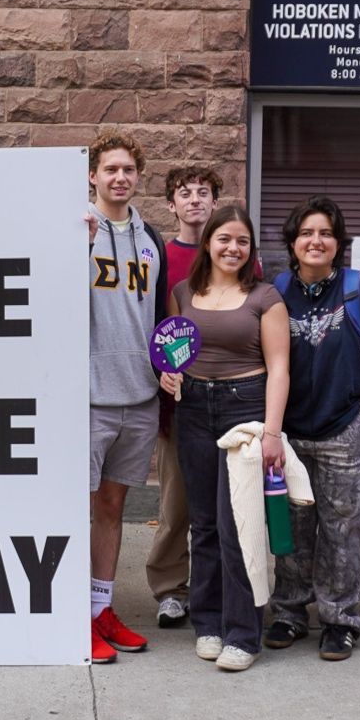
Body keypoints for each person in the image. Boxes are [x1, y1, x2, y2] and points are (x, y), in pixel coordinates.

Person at [266, 196, 360, 661]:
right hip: (290, 432)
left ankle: (340, 620)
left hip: (345, 430)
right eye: (306, 233)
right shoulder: (275, 290)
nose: (315, 241)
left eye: (325, 233)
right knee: (292, 528)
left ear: (338, 242)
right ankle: (288, 612)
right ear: (292, 241)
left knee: (342, 532)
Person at [160, 206, 289, 672]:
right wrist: (168, 376)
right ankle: (208, 624)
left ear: (251, 249)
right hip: (193, 409)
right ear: (208, 243)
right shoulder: (183, 292)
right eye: (225, 239)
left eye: (242, 241)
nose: (233, 248)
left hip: (245, 409)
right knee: (204, 524)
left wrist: (272, 431)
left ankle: (243, 632)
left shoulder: (265, 297)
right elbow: (171, 353)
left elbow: (279, 368)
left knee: (240, 524)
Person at [86, 131, 166, 664]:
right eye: (110, 168)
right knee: (75, 508)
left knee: (113, 506)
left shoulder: (149, 239)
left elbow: (159, 317)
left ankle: (101, 607)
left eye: (128, 170)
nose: (120, 177)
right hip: (87, 397)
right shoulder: (75, 230)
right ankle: (70, 613)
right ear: (92, 175)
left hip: (139, 398)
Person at [147, 165, 223, 628]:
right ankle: (170, 589)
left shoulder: (236, 252)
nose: (194, 200)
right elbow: (154, 323)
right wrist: (164, 374)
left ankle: (215, 587)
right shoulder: (159, 255)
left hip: (229, 399)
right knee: (176, 506)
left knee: (220, 508)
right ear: (172, 204)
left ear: (215, 201)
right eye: (184, 193)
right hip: (177, 401)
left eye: (203, 193)